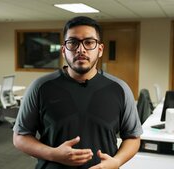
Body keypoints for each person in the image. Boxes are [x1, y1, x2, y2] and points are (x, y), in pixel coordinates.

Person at [13, 16, 143, 169]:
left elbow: (133, 138)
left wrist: (117, 162)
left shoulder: (120, 89)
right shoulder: (40, 87)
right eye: (73, 42)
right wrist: (53, 154)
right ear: (63, 50)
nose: (81, 49)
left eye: (89, 42)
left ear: (100, 50)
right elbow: (20, 137)